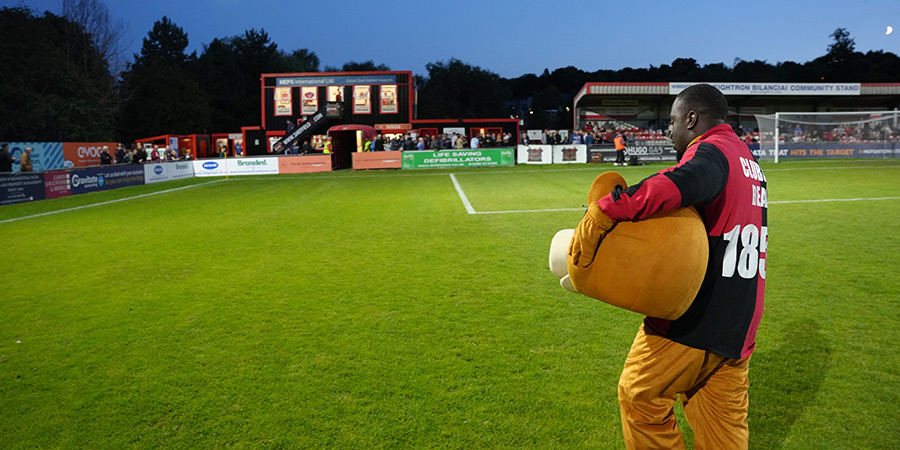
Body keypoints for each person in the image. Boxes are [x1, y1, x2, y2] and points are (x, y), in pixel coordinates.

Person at [585, 84, 766, 449]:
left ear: (692, 119)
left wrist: (607, 208)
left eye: (672, 121)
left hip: (694, 318)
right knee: (723, 427)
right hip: (740, 319)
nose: (669, 130)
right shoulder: (747, 159)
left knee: (639, 397)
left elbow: (681, 182)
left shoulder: (711, 152)